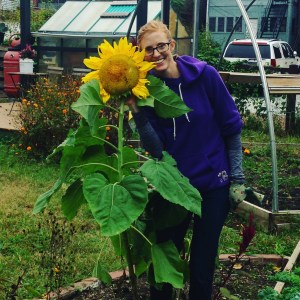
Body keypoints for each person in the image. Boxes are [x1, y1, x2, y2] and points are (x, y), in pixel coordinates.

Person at [128, 20, 245, 300]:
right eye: (148, 50)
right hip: (173, 187)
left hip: (213, 184)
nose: (155, 54)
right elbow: (156, 149)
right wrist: (137, 110)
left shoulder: (205, 76)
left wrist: (237, 179)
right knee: (164, 262)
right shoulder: (148, 90)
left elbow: (231, 128)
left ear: (172, 45)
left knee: (203, 264)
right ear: (139, 54)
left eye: (161, 46)